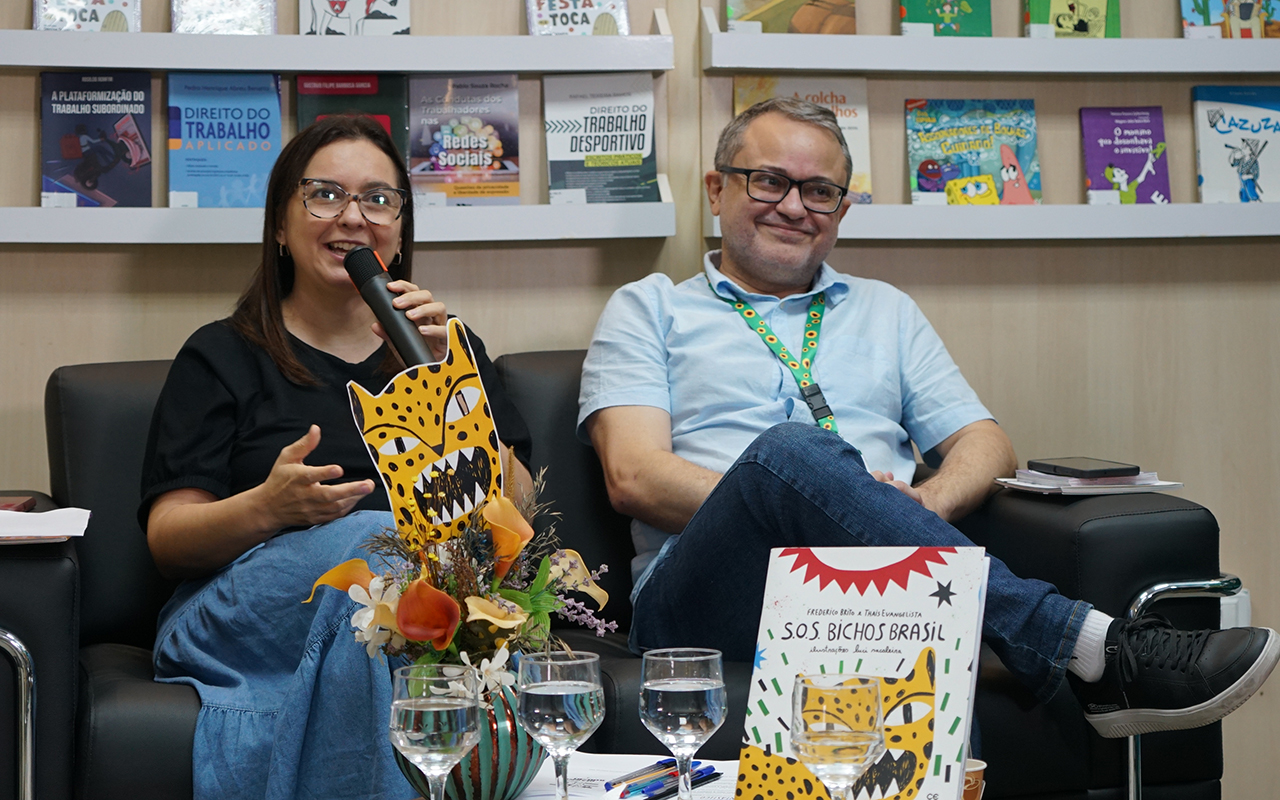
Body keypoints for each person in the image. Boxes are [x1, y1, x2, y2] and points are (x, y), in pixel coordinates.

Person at [578, 97, 1279, 739]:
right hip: (703, 601)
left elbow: (986, 442)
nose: (793, 206)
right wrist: (801, 496)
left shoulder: (886, 310)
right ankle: (1089, 646)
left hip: (871, 597)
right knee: (790, 455)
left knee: (923, 644)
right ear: (717, 188)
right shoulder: (651, 307)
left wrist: (913, 505)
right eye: (768, 181)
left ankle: (1012, 641)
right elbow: (634, 475)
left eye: (819, 192)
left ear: (841, 212)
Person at [140, 115, 533, 800]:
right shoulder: (221, 355)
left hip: (415, 615)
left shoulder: (450, 350)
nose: (353, 218)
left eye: (378, 200)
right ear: (280, 225)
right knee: (367, 546)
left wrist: (448, 384)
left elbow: (519, 509)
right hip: (246, 610)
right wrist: (266, 508)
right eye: (324, 194)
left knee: (392, 577)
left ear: (400, 230)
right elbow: (168, 540)